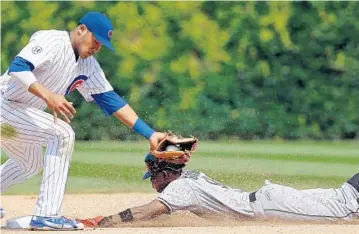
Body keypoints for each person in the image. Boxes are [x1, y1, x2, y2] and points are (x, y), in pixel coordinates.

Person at [0, 12, 166, 230]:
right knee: (62, 134)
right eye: (95, 41)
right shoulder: (52, 40)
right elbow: (18, 68)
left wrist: (151, 134)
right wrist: (49, 96)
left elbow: (110, 100)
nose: (97, 47)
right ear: (81, 30)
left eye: (101, 45)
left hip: (18, 117)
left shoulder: (88, 66)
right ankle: (47, 215)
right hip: (5, 105)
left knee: (29, 164)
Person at [79, 154, 359, 227]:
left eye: (152, 177)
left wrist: (105, 221)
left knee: (344, 206)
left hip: (269, 205)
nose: (152, 183)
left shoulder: (180, 188)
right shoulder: (187, 178)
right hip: (268, 200)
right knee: (341, 197)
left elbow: (147, 212)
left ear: (165, 174)